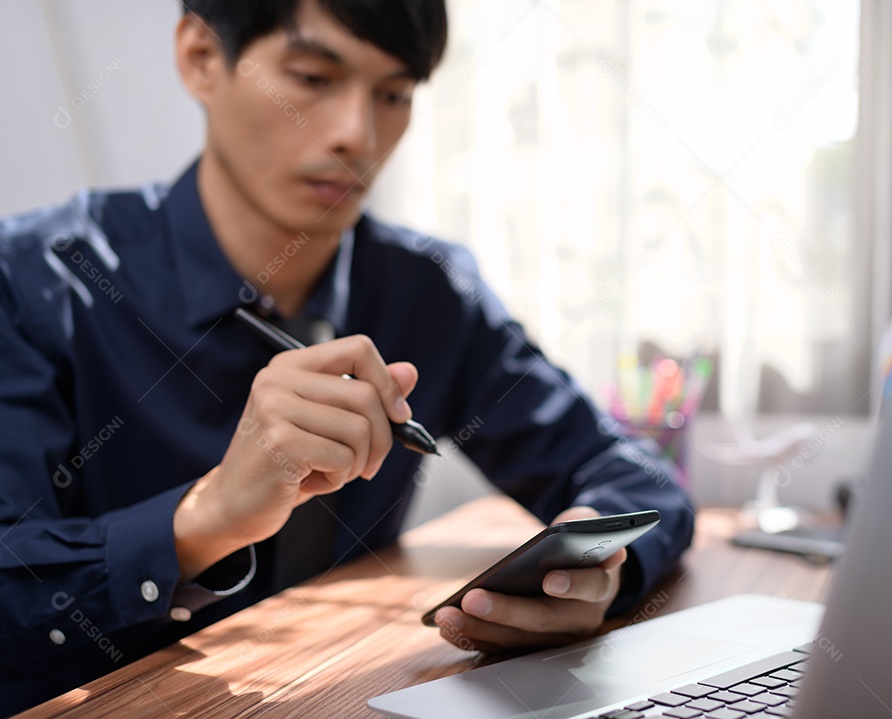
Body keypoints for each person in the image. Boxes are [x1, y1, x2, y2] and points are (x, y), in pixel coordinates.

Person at [0, 0, 695, 713]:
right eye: (310, 77)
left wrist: (601, 569)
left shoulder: (429, 291)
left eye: (393, 94)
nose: (356, 136)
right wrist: (207, 517)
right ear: (201, 58)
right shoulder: (32, 281)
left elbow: (633, 473)